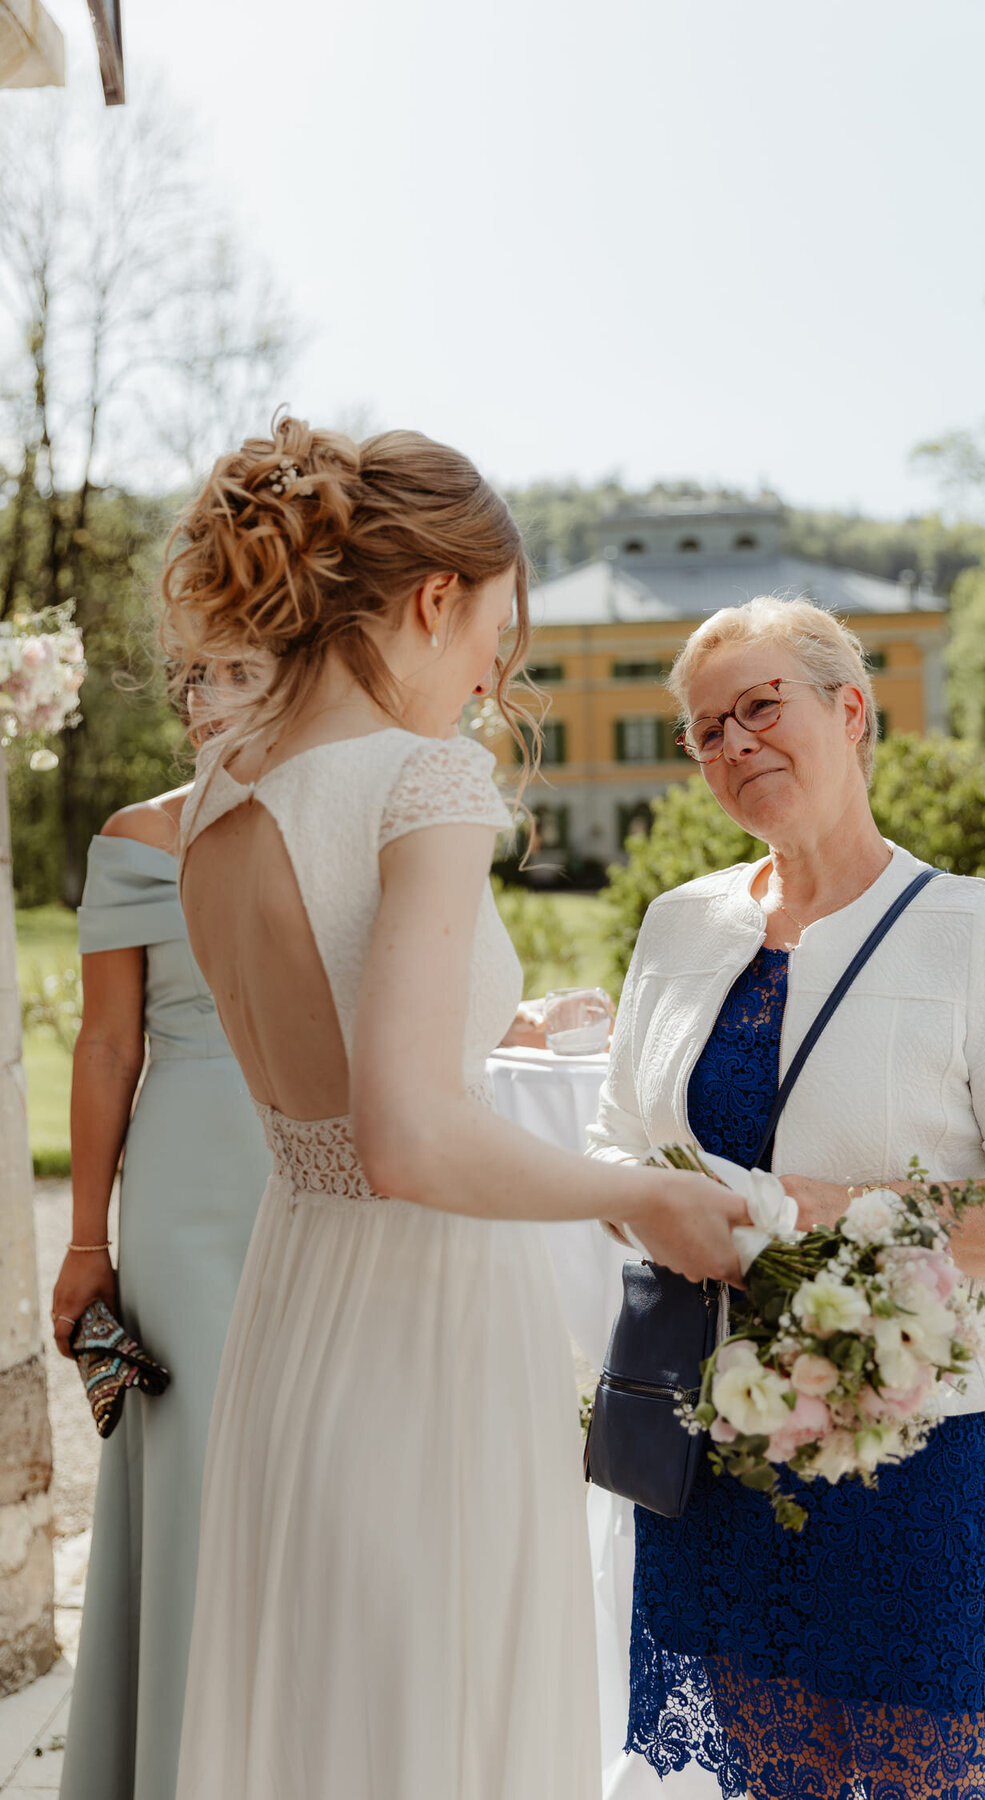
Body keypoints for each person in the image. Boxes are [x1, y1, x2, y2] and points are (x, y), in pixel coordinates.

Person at [161, 417, 747, 1800]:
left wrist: (503, 1029)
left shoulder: (213, 803)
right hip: (424, 1328)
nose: (496, 672)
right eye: (500, 629)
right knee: (438, 1719)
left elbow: (344, 1065)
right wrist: (643, 1193)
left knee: (316, 1709)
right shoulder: (425, 781)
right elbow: (408, 1136)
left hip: (297, 1308)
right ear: (435, 600)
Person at [587, 595, 985, 1800]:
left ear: (852, 711)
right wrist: (663, 1211)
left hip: (936, 1459)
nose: (734, 745)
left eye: (760, 707)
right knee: (767, 1778)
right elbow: (615, 1143)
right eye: (706, 729)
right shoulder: (678, 928)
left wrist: (827, 1214)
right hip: (724, 1452)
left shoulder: (977, 930)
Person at [51, 784, 271, 1800]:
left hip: (340, 1174)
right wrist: (88, 1239)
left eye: (240, 663)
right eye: (195, 674)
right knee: (194, 1476)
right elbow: (105, 1045)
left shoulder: (357, 798)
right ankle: (185, 1767)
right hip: (187, 1189)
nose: (212, 695)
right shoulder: (136, 839)